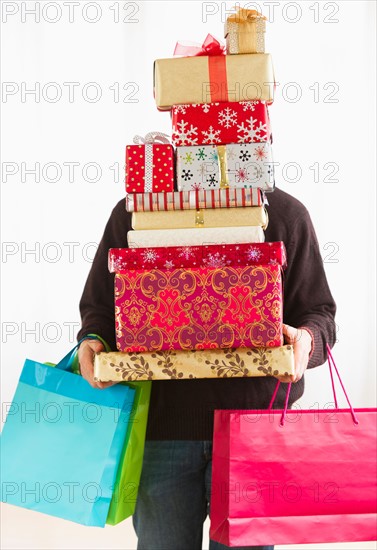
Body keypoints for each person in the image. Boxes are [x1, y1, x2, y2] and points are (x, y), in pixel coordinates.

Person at [77, 187, 337, 550]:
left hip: (254, 432)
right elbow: (102, 308)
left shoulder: (285, 213)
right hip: (160, 430)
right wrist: (94, 341)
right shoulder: (137, 213)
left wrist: (306, 341)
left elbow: (319, 312)